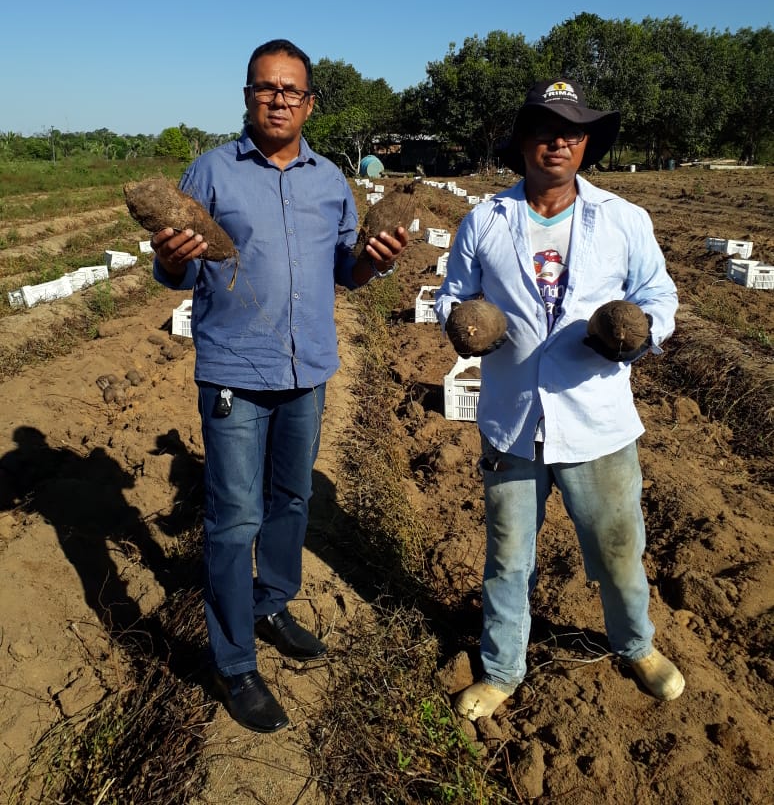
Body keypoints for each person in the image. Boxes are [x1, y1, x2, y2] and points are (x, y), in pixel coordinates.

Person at [152, 39, 407, 733]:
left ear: (310, 103)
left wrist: (376, 260)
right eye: (266, 87)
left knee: (291, 500)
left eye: (291, 89)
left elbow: (348, 271)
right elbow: (176, 273)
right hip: (235, 372)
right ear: (247, 97)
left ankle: (271, 603)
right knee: (235, 519)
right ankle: (234, 663)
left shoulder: (331, 181)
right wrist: (169, 258)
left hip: (307, 371)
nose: (278, 99)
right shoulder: (210, 172)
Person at [434, 79, 684, 720]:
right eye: (544, 130)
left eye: (572, 132)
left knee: (619, 548)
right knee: (507, 557)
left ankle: (637, 645)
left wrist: (638, 331)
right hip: (513, 420)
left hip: (596, 420)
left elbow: (659, 296)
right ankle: (501, 669)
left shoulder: (624, 220)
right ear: (523, 142)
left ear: (586, 145)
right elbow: (452, 294)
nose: (558, 142)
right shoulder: (486, 220)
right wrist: (466, 322)